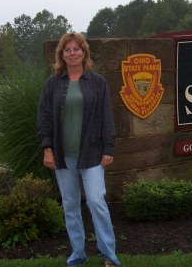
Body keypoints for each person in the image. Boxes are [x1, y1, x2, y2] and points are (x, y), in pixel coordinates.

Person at [37, 32, 121, 267]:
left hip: (92, 153)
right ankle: (78, 253)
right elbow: (43, 118)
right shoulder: (53, 84)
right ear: (61, 55)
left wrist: (108, 148)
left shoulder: (97, 82)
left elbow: (107, 117)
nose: (72, 53)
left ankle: (108, 255)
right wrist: (47, 149)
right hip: (63, 155)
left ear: (84, 53)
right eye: (67, 50)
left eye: (76, 49)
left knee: (96, 201)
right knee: (70, 205)